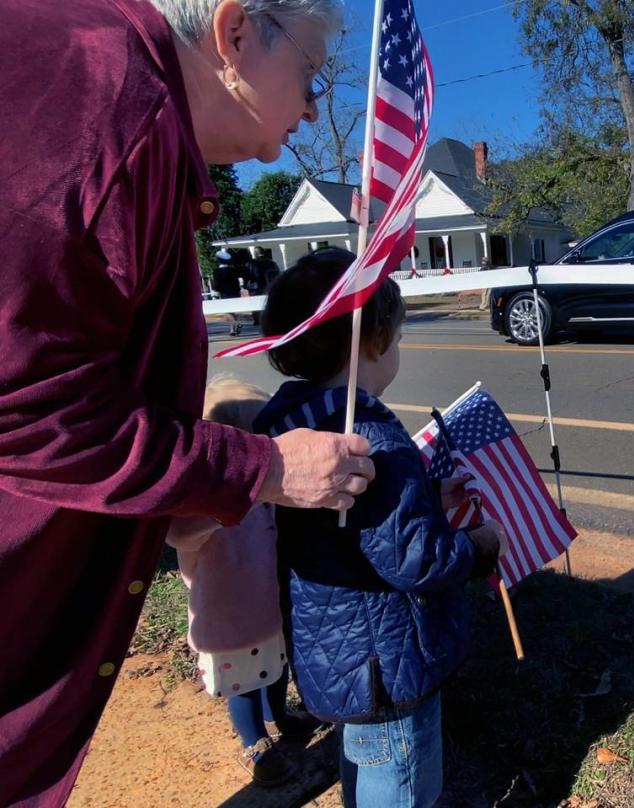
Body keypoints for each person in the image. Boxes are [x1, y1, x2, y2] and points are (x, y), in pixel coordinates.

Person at [0, 2, 377, 805]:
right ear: (237, 34)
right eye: (309, 75)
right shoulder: (105, 104)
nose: (315, 107)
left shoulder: (110, 100)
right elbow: (29, 409)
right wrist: (263, 467)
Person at [253, 248, 506, 808]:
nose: (399, 349)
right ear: (372, 340)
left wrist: (423, 497)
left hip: (335, 652)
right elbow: (415, 560)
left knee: (362, 763)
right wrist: (480, 547)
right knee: (402, 780)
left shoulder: (293, 424)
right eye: (398, 336)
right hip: (388, 665)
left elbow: (358, 526)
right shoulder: (372, 441)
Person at [166, 377, 321, 787]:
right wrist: (221, 510)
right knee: (243, 684)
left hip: (266, 603)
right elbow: (178, 536)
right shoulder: (201, 501)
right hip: (227, 612)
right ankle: (254, 742)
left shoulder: (264, 497)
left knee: (274, 667)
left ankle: (280, 715)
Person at [212, 248, 246, 336]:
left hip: (224, 293)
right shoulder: (233, 269)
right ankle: (232, 330)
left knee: (226, 311)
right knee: (233, 311)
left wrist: (215, 291)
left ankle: (236, 323)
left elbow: (216, 284)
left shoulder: (217, 271)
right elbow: (237, 281)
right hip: (235, 292)